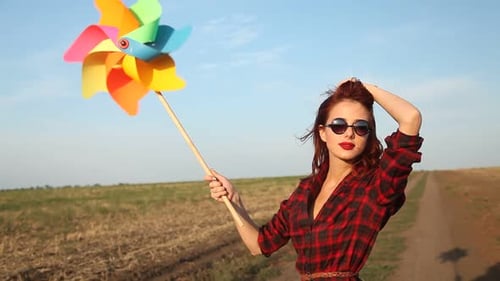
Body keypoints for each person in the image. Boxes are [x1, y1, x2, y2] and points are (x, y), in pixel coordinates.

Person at [205, 77, 423, 280]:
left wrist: (366, 89)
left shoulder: (376, 186)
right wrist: (233, 200)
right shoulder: (304, 192)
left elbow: (410, 118)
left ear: (368, 136)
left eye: (361, 127)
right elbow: (258, 245)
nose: (349, 133)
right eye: (339, 125)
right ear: (323, 132)